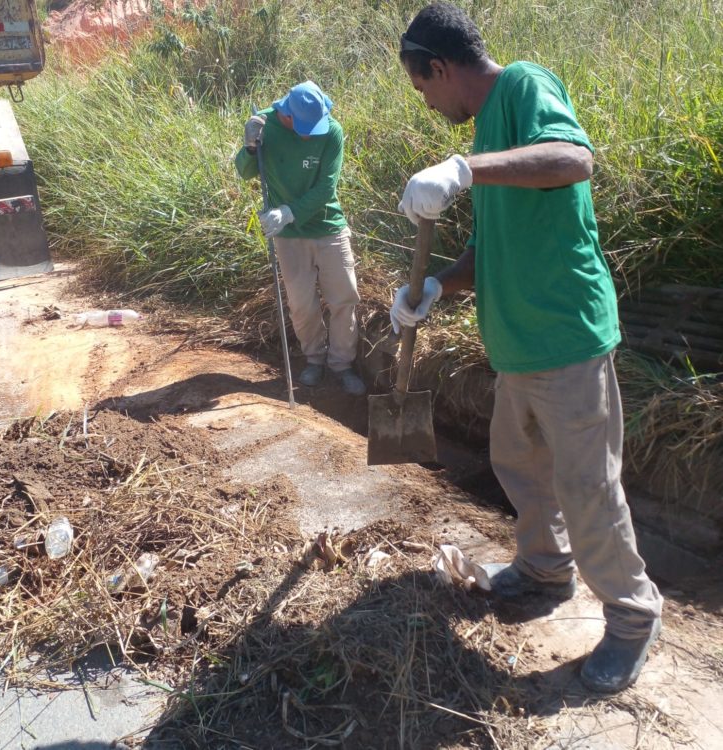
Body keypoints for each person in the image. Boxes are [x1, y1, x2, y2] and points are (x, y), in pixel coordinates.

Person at [390, 2, 662, 693]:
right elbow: (489, 246)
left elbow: (573, 159)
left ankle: (633, 618)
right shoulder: (487, 129)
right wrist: (435, 285)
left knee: (587, 488)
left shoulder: (525, 85)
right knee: (523, 468)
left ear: (441, 68)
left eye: (422, 88)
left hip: (565, 336)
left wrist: (463, 168)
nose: (427, 103)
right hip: (517, 345)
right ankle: (544, 569)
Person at [235, 81, 365, 396]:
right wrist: (250, 147)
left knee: (344, 297)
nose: (311, 135)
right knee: (301, 304)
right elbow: (245, 172)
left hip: (328, 227)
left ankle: (342, 365)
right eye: (306, 129)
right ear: (287, 115)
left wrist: (289, 212)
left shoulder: (331, 131)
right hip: (289, 237)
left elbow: (326, 188)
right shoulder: (265, 126)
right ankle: (314, 360)